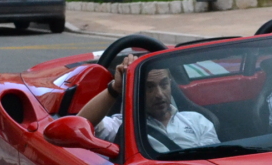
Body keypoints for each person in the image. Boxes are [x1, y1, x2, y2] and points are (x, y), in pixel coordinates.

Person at [80, 56, 220, 148]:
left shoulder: (197, 121)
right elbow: (81, 124)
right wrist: (116, 88)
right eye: (149, 87)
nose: (159, 94)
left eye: (164, 84)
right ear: (136, 91)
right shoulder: (121, 126)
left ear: (171, 84)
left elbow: (212, 161)